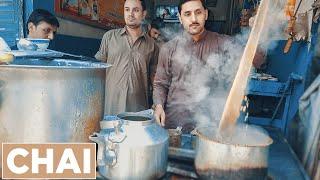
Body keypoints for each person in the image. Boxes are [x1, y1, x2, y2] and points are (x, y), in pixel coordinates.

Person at [153, 0, 265, 133]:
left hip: (209, 126)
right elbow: (160, 83)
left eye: (198, 12)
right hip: (174, 124)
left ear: (205, 14)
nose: (193, 19)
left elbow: (258, 60)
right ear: (180, 17)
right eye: (187, 14)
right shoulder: (169, 48)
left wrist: (257, 31)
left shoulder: (222, 43)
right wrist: (159, 106)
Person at [95, 0, 159, 115]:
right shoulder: (109, 37)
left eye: (136, 10)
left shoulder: (152, 45)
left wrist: (157, 103)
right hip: (111, 107)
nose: (131, 14)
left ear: (143, 14)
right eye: (127, 9)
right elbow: (98, 71)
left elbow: (155, 78)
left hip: (138, 110)